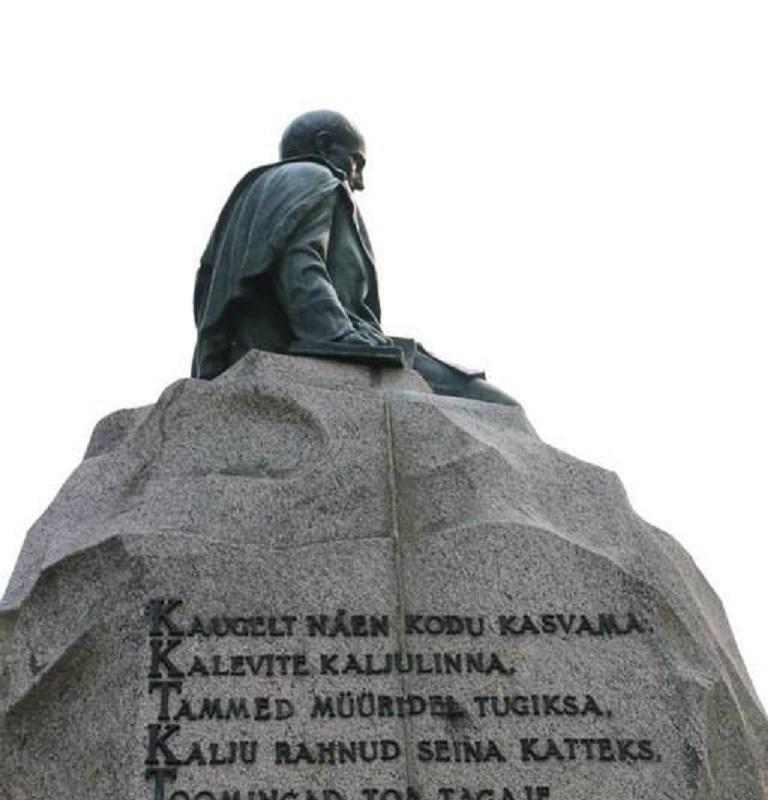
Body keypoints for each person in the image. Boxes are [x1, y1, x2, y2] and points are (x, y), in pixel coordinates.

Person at [192, 110, 518, 406]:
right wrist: (339, 337)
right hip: (313, 347)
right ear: (324, 144)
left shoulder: (254, 194)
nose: (358, 181)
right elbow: (302, 266)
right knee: (495, 405)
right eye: (356, 162)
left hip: (277, 346)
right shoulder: (311, 176)